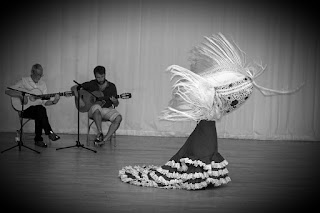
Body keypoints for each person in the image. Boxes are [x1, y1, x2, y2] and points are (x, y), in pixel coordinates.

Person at [119, 33, 303, 190]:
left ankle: (203, 174)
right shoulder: (209, 100)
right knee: (203, 147)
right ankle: (200, 176)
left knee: (204, 145)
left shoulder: (212, 100)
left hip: (208, 122)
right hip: (206, 122)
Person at [5, 63, 61, 148]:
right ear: (32, 72)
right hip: (24, 110)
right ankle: (47, 134)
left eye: (41, 74)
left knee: (40, 110)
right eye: (38, 74)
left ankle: (39, 139)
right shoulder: (24, 81)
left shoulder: (43, 84)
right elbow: (7, 91)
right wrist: (21, 95)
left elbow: (45, 102)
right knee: (40, 110)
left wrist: (54, 101)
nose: (40, 77)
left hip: (38, 111)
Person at [71, 65, 122, 144]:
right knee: (97, 107)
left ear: (105, 74)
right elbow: (74, 88)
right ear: (95, 76)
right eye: (98, 77)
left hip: (107, 108)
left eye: (102, 76)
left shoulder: (111, 86)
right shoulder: (92, 84)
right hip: (93, 110)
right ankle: (100, 132)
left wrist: (115, 101)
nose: (100, 79)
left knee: (118, 117)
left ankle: (104, 140)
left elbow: (117, 104)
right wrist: (80, 99)